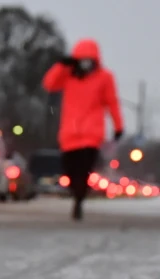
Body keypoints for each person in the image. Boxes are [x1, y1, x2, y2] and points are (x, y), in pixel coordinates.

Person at [41, 39, 124, 221]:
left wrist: (119, 126)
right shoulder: (67, 75)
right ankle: (77, 194)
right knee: (70, 170)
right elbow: (49, 84)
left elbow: (112, 102)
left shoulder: (105, 78)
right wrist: (61, 66)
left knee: (84, 170)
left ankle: (79, 199)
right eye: (82, 60)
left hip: (91, 135)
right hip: (69, 134)